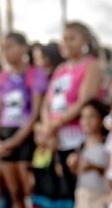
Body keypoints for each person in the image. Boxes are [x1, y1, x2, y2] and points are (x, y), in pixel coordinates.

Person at [0, 32, 48, 208]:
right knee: (14, 195)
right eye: (3, 48)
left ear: (24, 48)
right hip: (5, 136)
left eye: (11, 47)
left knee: (29, 194)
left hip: (24, 138)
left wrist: (16, 140)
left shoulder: (35, 74)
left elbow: (35, 112)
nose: (7, 53)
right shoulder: (2, 77)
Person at [42, 22, 103, 193]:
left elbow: (85, 100)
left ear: (84, 41)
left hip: (80, 138)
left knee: (81, 189)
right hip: (58, 139)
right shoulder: (61, 69)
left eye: (72, 38)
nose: (66, 43)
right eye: (64, 39)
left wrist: (55, 123)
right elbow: (47, 102)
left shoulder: (91, 65)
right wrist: (48, 126)